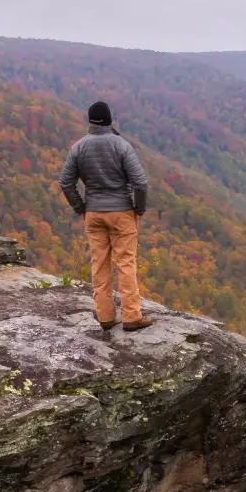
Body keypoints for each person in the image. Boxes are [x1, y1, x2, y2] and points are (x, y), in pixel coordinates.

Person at [59, 100, 153, 331]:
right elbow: (140, 184)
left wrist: (81, 208)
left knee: (99, 264)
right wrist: (138, 210)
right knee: (125, 263)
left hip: (93, 213)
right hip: (121, 212)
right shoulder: (121, 145)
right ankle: (131, 316)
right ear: (110, 120)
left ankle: (105, 316)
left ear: (90, 121)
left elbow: (66, 182)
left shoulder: (79, 147)